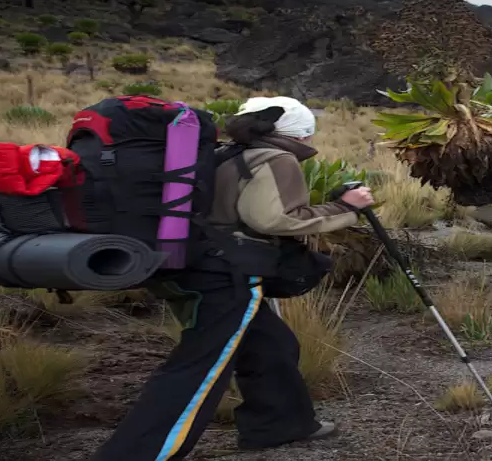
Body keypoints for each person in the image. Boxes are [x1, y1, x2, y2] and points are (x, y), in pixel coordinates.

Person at [93, 96, 376, 460]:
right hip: (224, 273)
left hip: (187, 263)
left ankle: (280, 425)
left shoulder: (223, 153)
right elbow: (273, 219)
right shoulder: (276, 158)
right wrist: (346, 207)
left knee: (271, 344)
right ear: (302, 133)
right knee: (200, 367)